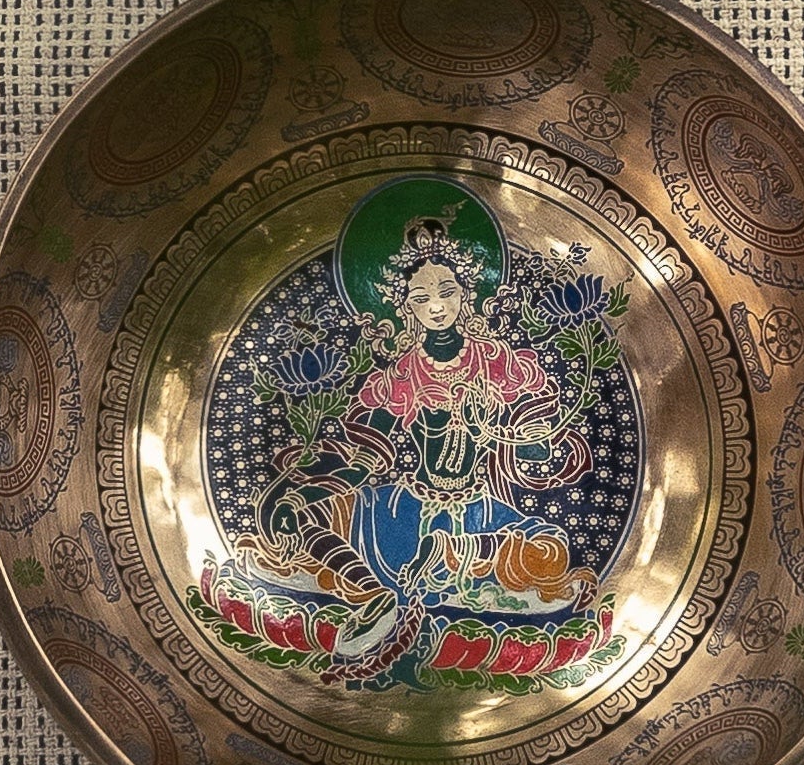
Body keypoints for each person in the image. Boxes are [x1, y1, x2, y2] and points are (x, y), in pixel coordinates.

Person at [253, 219, 590, 661]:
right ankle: (374, 596)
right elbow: (367, 460)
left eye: (447, 292)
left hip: (478, 512)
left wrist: (524, 438)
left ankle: (461, 551)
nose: (436, 307)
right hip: (400, 512)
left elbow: (534, 446)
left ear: (466, 294)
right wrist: (310, 487)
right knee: (298, 515)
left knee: (551, 550)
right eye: (422, 297)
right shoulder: (400, 375)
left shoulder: (498, 363)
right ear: (406, 308)